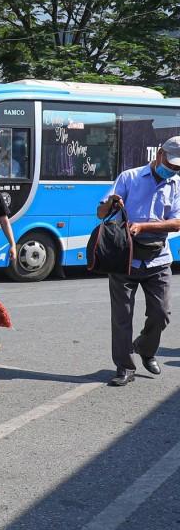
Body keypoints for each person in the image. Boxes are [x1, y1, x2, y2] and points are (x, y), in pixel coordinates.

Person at [98, 136, 180, 387]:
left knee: (162, 313)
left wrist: (144, 225)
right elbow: (101, 212)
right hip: (125, 259)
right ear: (159, 155)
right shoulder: (129, 177)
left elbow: (177, 222)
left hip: (158, 260)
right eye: (171, 163)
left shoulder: (177, 184)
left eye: (178, 167)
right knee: (122, 316)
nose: (173, 169)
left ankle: (145, 347)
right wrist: (112, 202)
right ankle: (124, 366)